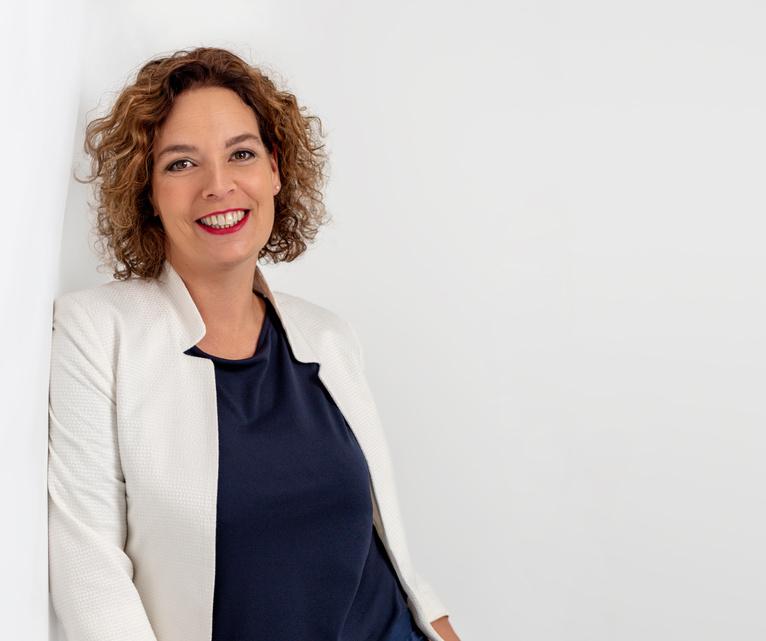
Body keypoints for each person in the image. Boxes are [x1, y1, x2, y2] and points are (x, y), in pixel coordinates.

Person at [47, 47, 462, 641]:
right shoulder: (97, 333)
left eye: (241, 154)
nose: (218, 185)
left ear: (274, 170)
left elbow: (386, 550)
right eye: (181, 164)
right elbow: (90, 571)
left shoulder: (328, 337)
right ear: (148, 192)